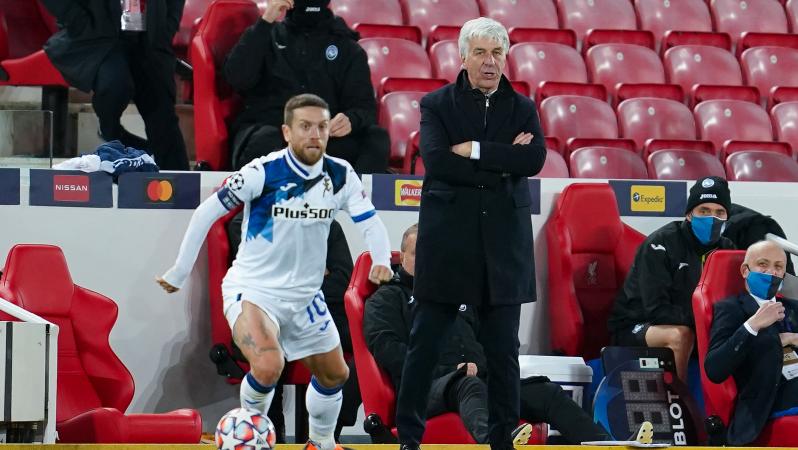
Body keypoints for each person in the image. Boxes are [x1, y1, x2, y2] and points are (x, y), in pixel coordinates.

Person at [157, 93, 392, 450]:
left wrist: (381, 260)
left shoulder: (340, 175)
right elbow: (206, 213)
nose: (315, 134)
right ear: (286, 131)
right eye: (305, 127)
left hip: (304, 297)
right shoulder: (261, 172)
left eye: (322, 127)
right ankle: (249, 441)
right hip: (253, 290)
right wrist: (178, 271)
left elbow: (370, 222)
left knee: (335, 374)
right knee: (268, 365)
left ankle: (321, 443)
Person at [394, 17, 547, 450]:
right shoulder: (436, 105)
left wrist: (477, 152)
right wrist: (503, 162)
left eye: (497, 53)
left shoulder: (523, 107)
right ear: (462, 57)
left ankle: (502, 442)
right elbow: (439, 162)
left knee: (504, 356)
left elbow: (533, 160)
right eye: (480, 52)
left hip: (503, 251)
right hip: (448, 248)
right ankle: (408, 438)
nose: (489, 62)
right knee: (423, 347)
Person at [365, 224, 611, 445]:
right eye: (418, 253)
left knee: (547, 392)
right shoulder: (388, 298)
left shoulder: (461, 296)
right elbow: (390, 352)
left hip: (479, 380)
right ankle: (494, 443)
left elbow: (490, 341)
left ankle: (604, 443)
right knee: (468, 384)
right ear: (402, 257)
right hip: (423, 390)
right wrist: (451, 369)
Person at [226, 219, 360, 443]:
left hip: (317, 315)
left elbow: (342, 282)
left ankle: (322, 439)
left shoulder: (328, 225)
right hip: (265, 316)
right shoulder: (247, 224)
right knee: (270, 356)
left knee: (360, 349)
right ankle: (270, 439)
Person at [223, 0, 389, 173]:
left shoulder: (347, 47)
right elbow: (237, 79)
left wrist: (351, 120)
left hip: (324, 138)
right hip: (275, 131)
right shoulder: (268, 34)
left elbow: (365, 108)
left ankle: (355, 198)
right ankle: (270, 198)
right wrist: (265, 21)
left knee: (376, 139)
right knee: (264, 140)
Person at [608, 176, 736, 382]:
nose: (712, 218)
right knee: (680, 336)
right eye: (704, 210)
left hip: (699, 326)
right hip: (637, 324)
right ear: (689, 214)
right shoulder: (661, 243)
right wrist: (704, 323)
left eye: (719, 212)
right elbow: (656, 309)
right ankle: (680, 403)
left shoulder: (727, 249)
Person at [41, 0, 190, 170]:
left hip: (150, 38)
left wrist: (167, 26)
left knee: (163, 114)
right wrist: (79, 22)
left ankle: (180, 181)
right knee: (116, 84)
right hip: (98, 36)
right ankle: (110, 129)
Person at [705, 240, 798, 445]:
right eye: (763, 264)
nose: (771, 272)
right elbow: (714, 369)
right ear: (745, 270)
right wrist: (753, 325)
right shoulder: (732, 309)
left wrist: (791, 338)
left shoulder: (793, 308)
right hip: (770, 397)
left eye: (778, 267)